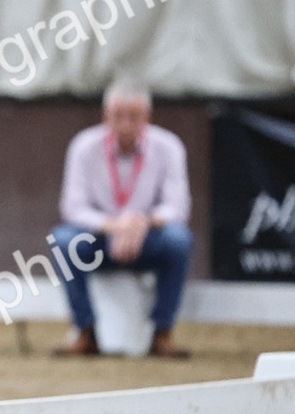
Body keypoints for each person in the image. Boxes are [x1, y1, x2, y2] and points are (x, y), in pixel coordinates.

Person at [51, 79, 194, 358]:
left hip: (149, 238)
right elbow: (72, 207)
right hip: (99, 241)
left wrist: (141, 223)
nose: (126, 125)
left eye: (134, 116)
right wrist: (115, 225)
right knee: (63, 240)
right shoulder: (84, 147)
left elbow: (177, 207)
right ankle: (85, 331)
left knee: (179, 241)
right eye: (118, 116)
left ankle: (162, 332)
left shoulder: (169, 147)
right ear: (106, 116)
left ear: (147, 117)